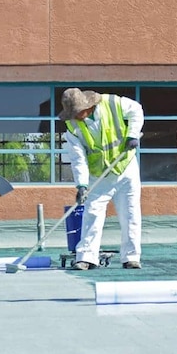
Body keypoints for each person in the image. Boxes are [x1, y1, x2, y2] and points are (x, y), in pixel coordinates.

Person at [59, 88, 144, 270]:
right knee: (92, 214)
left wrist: (132, 135)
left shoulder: (112, 103)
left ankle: (131, 257)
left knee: (130, 214)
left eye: (76, 112)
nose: (75, 117)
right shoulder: (72, 127)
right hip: (99, 176)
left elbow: (136, 110)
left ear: (87, 106)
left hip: (125, 168)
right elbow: (78, 158)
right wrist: (81, 185)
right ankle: (86, 257)